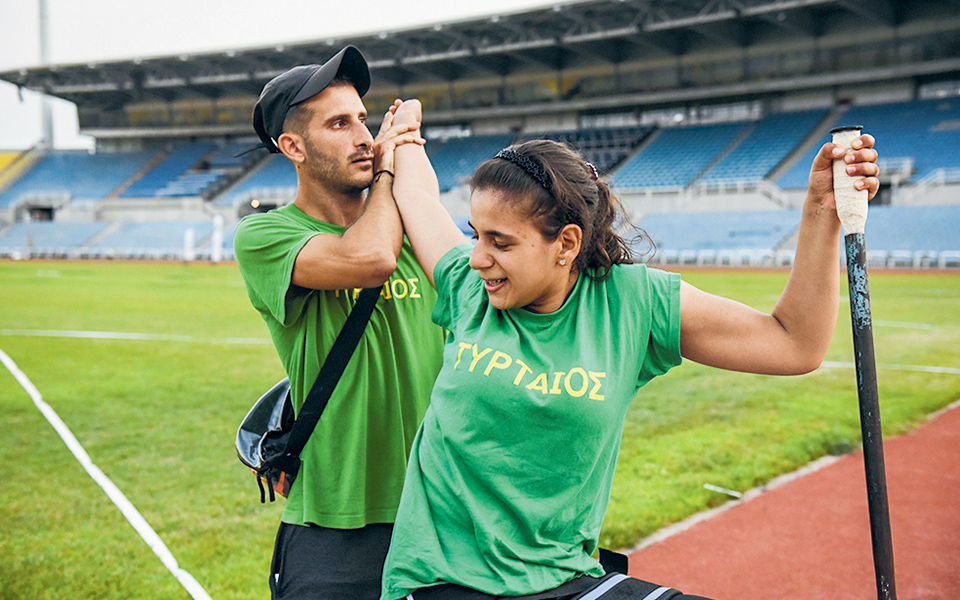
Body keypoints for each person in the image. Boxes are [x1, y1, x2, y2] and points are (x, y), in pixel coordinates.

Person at [378, 110, 880, 600]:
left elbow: (793, 343)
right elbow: (417, 195)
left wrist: (820, 209)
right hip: (440, 583)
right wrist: (405, 134)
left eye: (500, 242)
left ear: (566, 243)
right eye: (475, 234)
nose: (477, 257)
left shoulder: (632, 302)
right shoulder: (468, 287)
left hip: (565, 580)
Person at [232, 47, 445, 600]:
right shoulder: (267, 235)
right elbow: (368, 258)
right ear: (293, 147)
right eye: (339, 123)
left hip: (441, 507)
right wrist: (391, 166)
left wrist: (407, 140)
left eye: (365, 119)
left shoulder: (408, 220)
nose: (364, 137)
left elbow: (430, 212)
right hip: (335, 520)